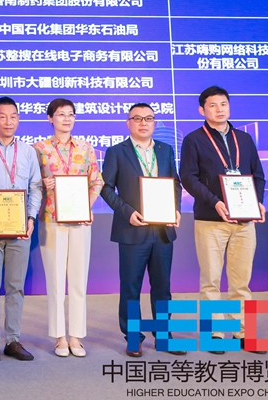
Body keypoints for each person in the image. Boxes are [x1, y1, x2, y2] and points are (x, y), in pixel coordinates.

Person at [179, 85, 266, 354]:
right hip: (210, 220)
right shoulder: (194, 140)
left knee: (241, 281)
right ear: (202, 110)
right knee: (211, 280)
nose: (219, 109)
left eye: (223, 104)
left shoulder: (244, 139)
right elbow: (188, 178)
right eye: (213, 105)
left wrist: (258, 202)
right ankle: (215, 334)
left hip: (244, 221)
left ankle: (243, 332)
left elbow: (258, 175)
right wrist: (215, 202)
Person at [100, 103, 184, 357]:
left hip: (163, 230)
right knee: (131, 287)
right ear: (128, 123)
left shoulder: (165, 150)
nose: (143, 123)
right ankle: (133, 337)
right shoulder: (116, 152)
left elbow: (175, 183)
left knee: (162, 287)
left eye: (148, 118)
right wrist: (127, 212)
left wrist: (175, 209)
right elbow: (105, 188)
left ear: (154, 123)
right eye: (137, 118)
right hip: (132, 229)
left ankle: (164, 335)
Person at [0, 97, 42, 362]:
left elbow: (35, 187)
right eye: (2, 116)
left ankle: (13, 340)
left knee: (15, 287)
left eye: (13, 116)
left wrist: (31, 217)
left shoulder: (28, 152)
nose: (8, 121)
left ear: (19, 119)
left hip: (20, 226)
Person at [33, 98, 103, 358]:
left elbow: (97, 181)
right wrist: (43, 183)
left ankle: (76, 336)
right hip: (51, 218)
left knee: (78, 279)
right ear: (50, 118)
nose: (67, 119)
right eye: (61, 114)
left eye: (71, 114)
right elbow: (30, 183)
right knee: (55, 280)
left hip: (80, 221)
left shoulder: (85, 148)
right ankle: (59, 337)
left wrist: (88, 206)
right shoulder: (39, 149)